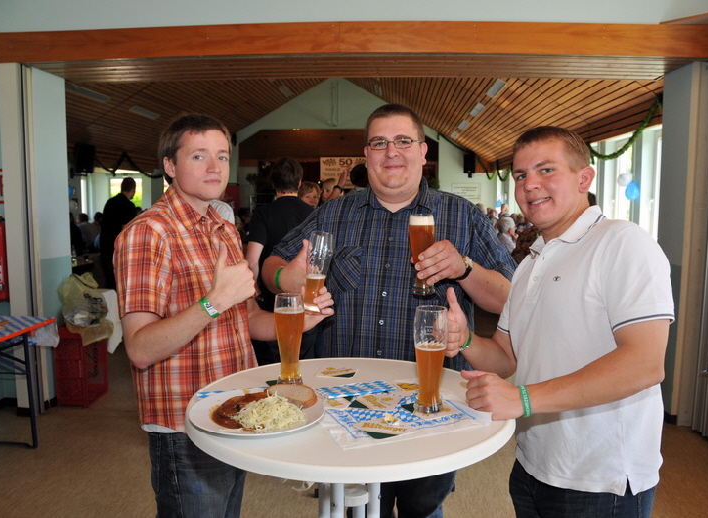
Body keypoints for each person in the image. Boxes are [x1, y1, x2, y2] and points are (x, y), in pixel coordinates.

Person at [262, 104, 515, 518]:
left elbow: (510, 299)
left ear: (423, 151)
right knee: (353, 509)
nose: (391, 152)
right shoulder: (334, 213)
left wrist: (464, 268)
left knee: (423, 510)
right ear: (367, 155)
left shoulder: (462, 215)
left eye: (402, 141)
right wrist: (284, 279)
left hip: (431, 408)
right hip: (346, 406)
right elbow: (272, 264)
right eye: (379, 143)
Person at [444, 126, 674, 518]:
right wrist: (465, 339)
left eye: (546, 170)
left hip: (600, 480)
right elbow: (506, 357)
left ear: (584, 178)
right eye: (521, 175)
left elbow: (645, 364)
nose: (530, 184)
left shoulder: (622, 242)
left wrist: (523, 398)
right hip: (533, 465)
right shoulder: (530, 262)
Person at [113, 114, 333, 518]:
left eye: (222, 156)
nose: (214, 167)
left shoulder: (223, 229)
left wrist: (300, 319)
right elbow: (140, 348)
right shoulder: (148, 233)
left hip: (233, 410)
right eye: (198, 156)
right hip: (183, 423)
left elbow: (246, 318)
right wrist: (212, 301)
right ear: (169, 165)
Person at [246, 157, 315, 365]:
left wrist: (252, 290)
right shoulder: (313, 214)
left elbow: (252, 259)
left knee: (271, 367)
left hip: (270, 303)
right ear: (300, 183)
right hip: (305, 300)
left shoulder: (263, 213)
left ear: (273, 183)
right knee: (304, 363)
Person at [99, 177, 137, 289]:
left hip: (106, 245)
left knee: (109, 281)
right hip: (119, 248)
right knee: (121, 282)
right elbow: (126, 229)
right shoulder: (129, 206)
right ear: (133, 190)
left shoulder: (110, 202)